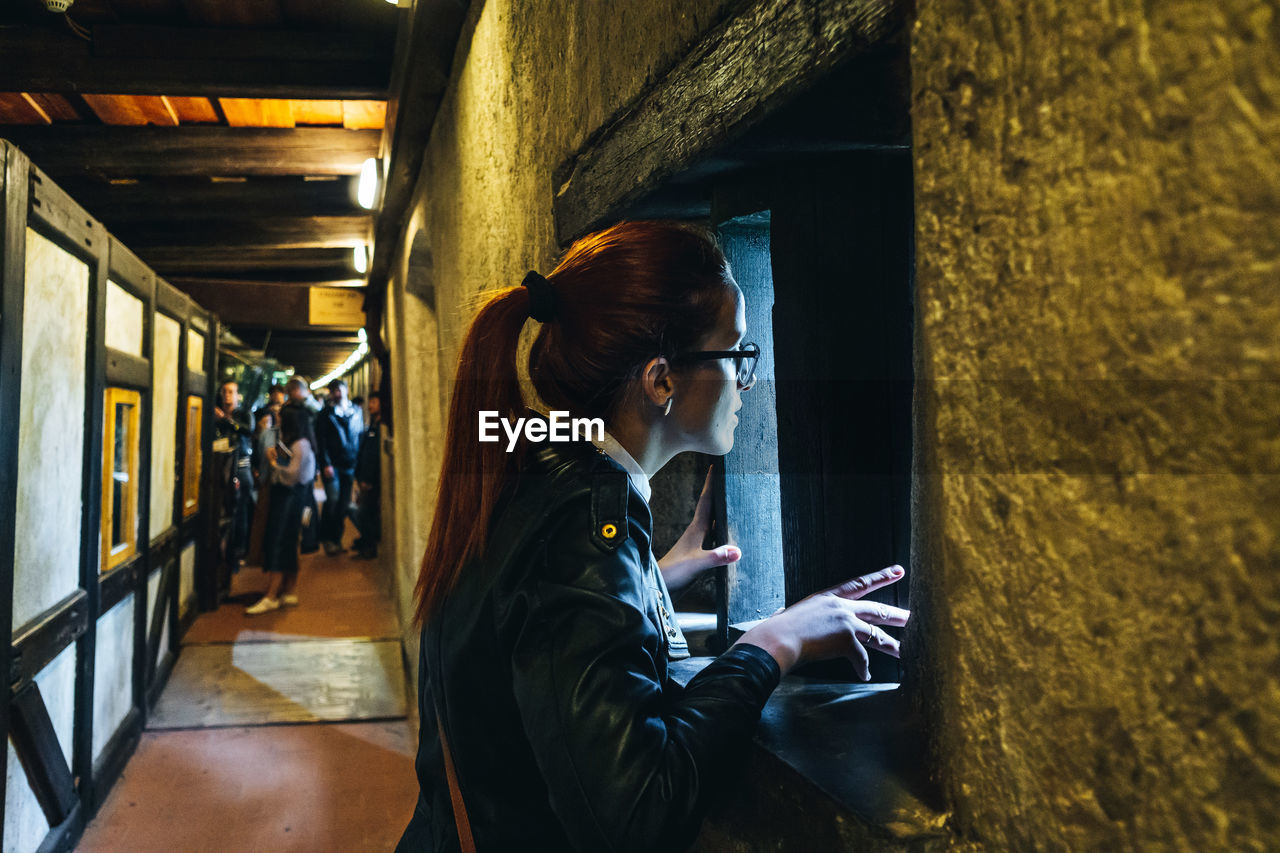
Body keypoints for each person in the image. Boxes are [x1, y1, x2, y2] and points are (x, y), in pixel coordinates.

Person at [396, 221, 910, 852]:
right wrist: (774, 644)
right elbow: (637, 816)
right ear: (661, 379)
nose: (746, 379)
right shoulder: (585, 521)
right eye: (736, 353)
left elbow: (515, 619)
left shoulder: (537, 465)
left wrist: (644, 580)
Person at [246, 405, 316, 615]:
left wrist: (273, 462)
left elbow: (291, 475)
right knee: (286, 542)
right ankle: (287, 590)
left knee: (279, 542)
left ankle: (271, 595)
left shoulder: (300, 445)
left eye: (281, 418)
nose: (278, 421)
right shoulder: (297, 442)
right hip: (290, 498)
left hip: (291, 499)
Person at [314, 378, 363, 555]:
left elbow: (359, 436)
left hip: (350, 464)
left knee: (343, 504)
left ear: (346, 390)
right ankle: (327, 539)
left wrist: (360, 463)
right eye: (333, 390)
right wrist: (325, 463)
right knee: (333, 501)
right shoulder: (326, 414)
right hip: (333, 465)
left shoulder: (356, 412)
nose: (337, 393)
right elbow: (321, 440)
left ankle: (336, 539)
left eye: (339, 389)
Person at [213, 380, 254, 561]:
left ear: (237, 395)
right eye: (224, 391)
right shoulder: (214, 414)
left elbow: (247, 430)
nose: (227, 395)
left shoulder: (243, 414)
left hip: (241, 468)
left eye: (231, 392)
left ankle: (239, 550)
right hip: (220, 468)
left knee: (240, 512)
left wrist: (225, 420)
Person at [283, 377, 323, 554]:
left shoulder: (291, 410)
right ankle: (309, 537)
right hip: (306, 458)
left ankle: (307, 537)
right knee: (307, 502)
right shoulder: (301, 410)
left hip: (301, 458)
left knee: (304, 502)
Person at [352, 391, 382, 559]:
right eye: (369, 402)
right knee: (365, 512)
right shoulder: (373, 425)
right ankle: (366, 542)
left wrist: (368, 478)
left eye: (374, 401)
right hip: (366, 477)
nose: (370, 405)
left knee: (367, 513)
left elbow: (373, 455)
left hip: (372, 480)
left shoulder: (378, 427)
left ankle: (369, 545)